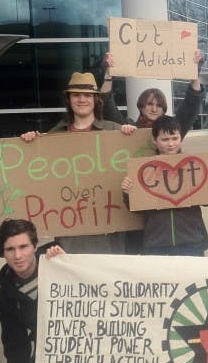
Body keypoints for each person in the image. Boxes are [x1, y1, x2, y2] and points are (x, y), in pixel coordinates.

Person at [20, 71, 137, 254]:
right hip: (71, 228)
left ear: (95, 99)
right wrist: (30, 143)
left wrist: (132, 136)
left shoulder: (114, 131)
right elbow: (37, 175)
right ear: (69, 100)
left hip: (108, 228)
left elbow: (139, 162)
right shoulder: (54, 136)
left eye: (87, 95)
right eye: (76, 95)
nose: (82, 99)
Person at [121, 114, 208, 256]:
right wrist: (127, 193)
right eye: (165, 139)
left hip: (191, 241)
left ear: (181, 138)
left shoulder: (193, 165)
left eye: (175, 138)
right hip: (156, 243)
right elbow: (136, 210)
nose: (170, 144)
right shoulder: (144, 170)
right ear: (154, 140)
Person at [0, 219, 64, 363]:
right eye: (10, 249)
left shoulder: (57, 263)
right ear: (3, 253)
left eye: (23, 247)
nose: (18, 255)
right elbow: (15, 345)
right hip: (49, 347)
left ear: (35, 246)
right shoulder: (6, 297)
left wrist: (68, 266)